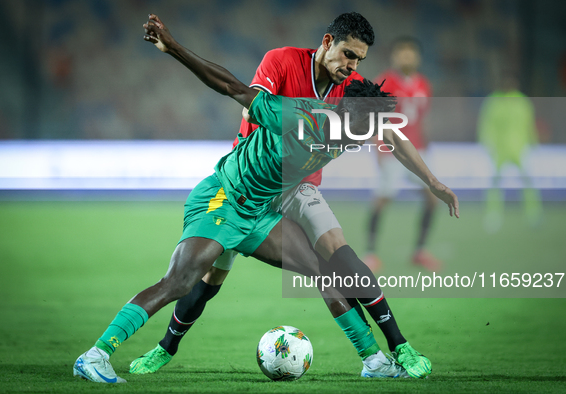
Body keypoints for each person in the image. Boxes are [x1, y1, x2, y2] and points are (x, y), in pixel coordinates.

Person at [72, 14, 459, 384]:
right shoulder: (298, 115)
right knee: (182, 281)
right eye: (349, 55)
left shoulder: (352, 115)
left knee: (326, 272)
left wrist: (432, 182)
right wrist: (172, 46)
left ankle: (375, 360)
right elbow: (233, 88)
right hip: (226, 196)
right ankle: (96, 355)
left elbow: (388, 132)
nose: (362, 141)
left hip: (262, 208)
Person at [364, 37, 442, 273]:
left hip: (418, 150)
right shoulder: (384, 82)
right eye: (402, 53)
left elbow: (422, 117)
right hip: (392, 149)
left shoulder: (424, 84)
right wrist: (378, 145)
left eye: (410, 53)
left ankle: (419, 251)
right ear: (394, 57)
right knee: (383, 198)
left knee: (432, 199)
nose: (406, 57)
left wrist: (427, 144)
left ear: (417, 57)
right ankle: (370, 253)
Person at [477, 73, 542, 233]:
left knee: (528, 183)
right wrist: (487, 143)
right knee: (495, 184)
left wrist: (534, 142)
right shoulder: (493, 102)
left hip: (520, 148)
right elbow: (486, 124)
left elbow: (529, 124)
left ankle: (533, 214)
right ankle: (493, 215)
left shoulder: (522, 102)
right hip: (499, 149)